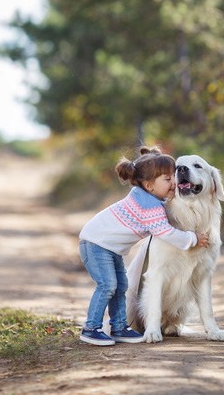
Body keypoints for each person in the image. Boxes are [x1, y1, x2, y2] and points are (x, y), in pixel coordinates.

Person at [78, 146, 210, 346]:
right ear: (149, 185)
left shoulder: (147, 196)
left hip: (109, 248)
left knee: (121, 286)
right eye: (168, 179)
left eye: (172, 177)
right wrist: (193, 238)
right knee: (108, 285)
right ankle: (91, 328)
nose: (174, 182)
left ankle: (119, 326)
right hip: (95, 244)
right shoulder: (149, 205)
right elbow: (165, 232)